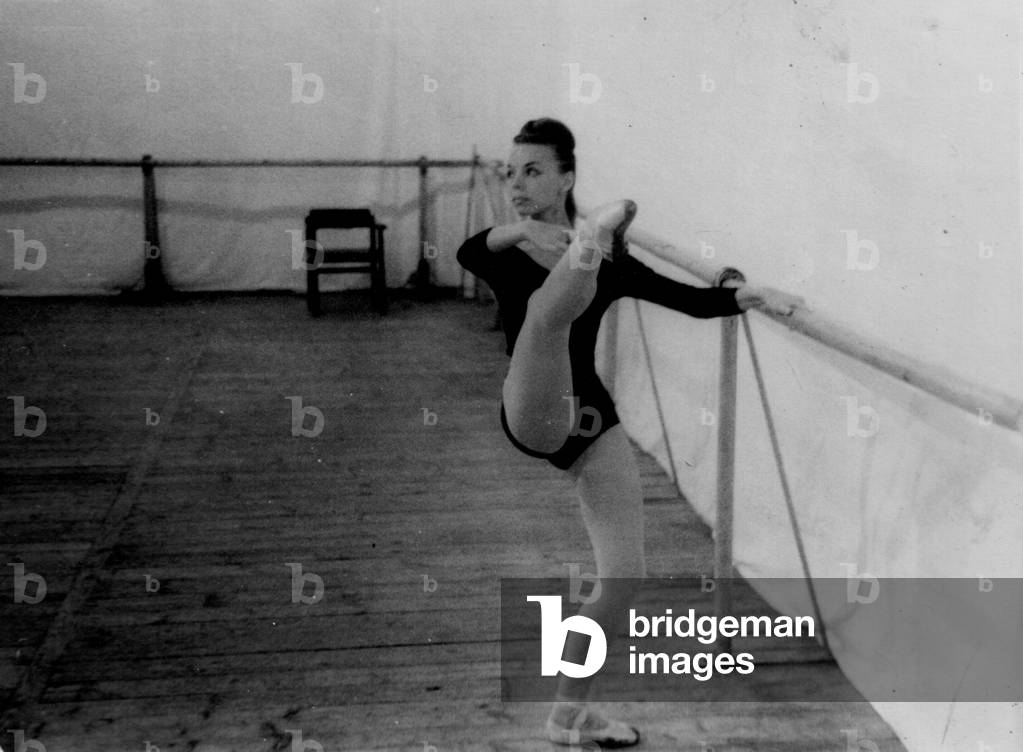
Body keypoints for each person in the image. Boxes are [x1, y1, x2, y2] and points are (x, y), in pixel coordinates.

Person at [456, 118, 805, 748]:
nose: (517, 185)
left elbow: (692, 301)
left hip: (589, 420)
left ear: (567, 177)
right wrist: (527, 231)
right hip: (533, 410)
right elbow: (468, 251)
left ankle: (569, 714)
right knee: (543, 319)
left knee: (623, 578)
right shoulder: (503, 250)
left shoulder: (615, 265)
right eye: (511, 174)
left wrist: (753, 294)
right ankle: (581, 255)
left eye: (533, 172)